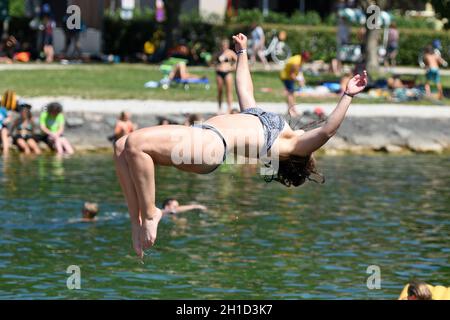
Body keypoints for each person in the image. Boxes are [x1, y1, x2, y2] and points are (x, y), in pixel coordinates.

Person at [114, 33, 368, 257]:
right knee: (122, 146)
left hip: (210, 147)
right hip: (201, 134)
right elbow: (245, 90)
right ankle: (136, 221)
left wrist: (347, 95)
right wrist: (242, 53)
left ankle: (150, 213)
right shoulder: (266, 121)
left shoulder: (292, 146)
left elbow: (327, 131)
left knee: (136, 144)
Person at [214, 39, 238, 114]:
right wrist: (216, 65)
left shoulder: (230, 53)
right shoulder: (217, 53)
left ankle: (229, 108)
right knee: (220, 91)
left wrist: (232, 67)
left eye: (225, 45)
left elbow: (238, 61)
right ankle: (219, 108)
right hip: (219, 73)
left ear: (227, 45)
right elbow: (211, 61)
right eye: (222, 45)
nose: (223, 47)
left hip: (228, 72)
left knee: (229, 91)